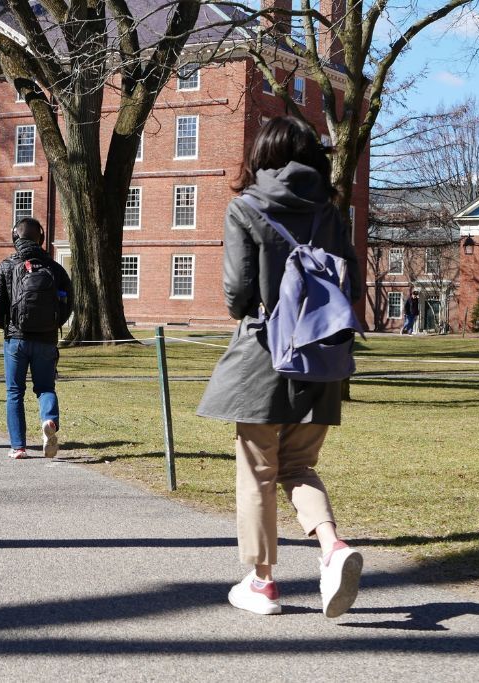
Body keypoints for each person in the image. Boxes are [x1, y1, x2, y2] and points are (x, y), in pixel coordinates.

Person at [196, 117, 364, 618]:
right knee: (298, 466)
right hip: (323, 358)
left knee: (257, 471)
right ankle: (332, 548)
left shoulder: (245, 207)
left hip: (264, 357)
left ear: (261, 154)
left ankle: (262, 582)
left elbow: (237, 293)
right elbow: (350, 284)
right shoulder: (332, 213)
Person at [0, 217, 73, 459]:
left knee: (14, 391)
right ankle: (49, 421)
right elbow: (67, 301)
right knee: (46, 387)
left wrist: (7, 325)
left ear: (15, 237)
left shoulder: (6, 266)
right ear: (41, 238)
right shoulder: (55, 268)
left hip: (16, 338)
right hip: (46, 338)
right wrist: (54, 323)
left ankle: (19, 447)